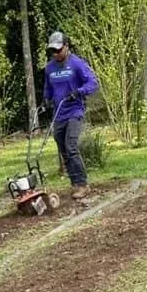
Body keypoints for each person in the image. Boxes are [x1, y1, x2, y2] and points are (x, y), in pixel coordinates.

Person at [42, 31, 99, 200]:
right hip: (58, 113)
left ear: (66, 47)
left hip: (75, 110)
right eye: (53, 50)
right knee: (63, 149)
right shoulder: (49, 68)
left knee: (71, 145)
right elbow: (48, 88)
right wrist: (46, 99)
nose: (56, 53)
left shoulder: (77, 64)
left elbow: (93, 83)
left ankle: (83, 184)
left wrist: (78, 92)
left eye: (58, 50)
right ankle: (74, 184)